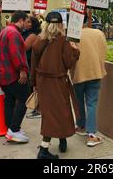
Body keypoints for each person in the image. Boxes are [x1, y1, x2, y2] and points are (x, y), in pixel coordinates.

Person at [31, 11, 80, 160]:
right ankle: (44, 150)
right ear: (60, 24)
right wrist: (76, 51)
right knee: (60, 112)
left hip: (42, 82)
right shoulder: (63, 41)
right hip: (58, 82)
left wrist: (34, 84)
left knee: (50, 113)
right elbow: (69, 63)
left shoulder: (38, 41)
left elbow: (33, 65)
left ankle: (62, 139)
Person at [71, 12, 107, 147]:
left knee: (79, 101)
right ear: (88, 20)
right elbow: (104, 51)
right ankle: (91, 135)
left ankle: (80, 126)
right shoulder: (98, 33)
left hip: (77, 74)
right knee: (91, 103)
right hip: (95, 71)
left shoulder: (73, 35)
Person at [0, 11, 30, 143]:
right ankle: (13, 129)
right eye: (26, 21)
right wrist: (22, 70)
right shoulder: (14, 33)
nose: (27, 24)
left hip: (5, 74)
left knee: (10, 101)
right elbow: (15, 54)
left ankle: (11, 129)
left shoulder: (5, 30)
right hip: (13, 75)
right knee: (24, 99)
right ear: (21, 20)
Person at [22, 16, 41, 119]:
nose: (26, 23)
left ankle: (37, 109)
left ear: (33, 24)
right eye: (26, 21)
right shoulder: (25, 33)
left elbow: (24, 47)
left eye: (28, 22)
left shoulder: (32, 35)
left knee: (33, 86)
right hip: (27, 61)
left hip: (30, 62)